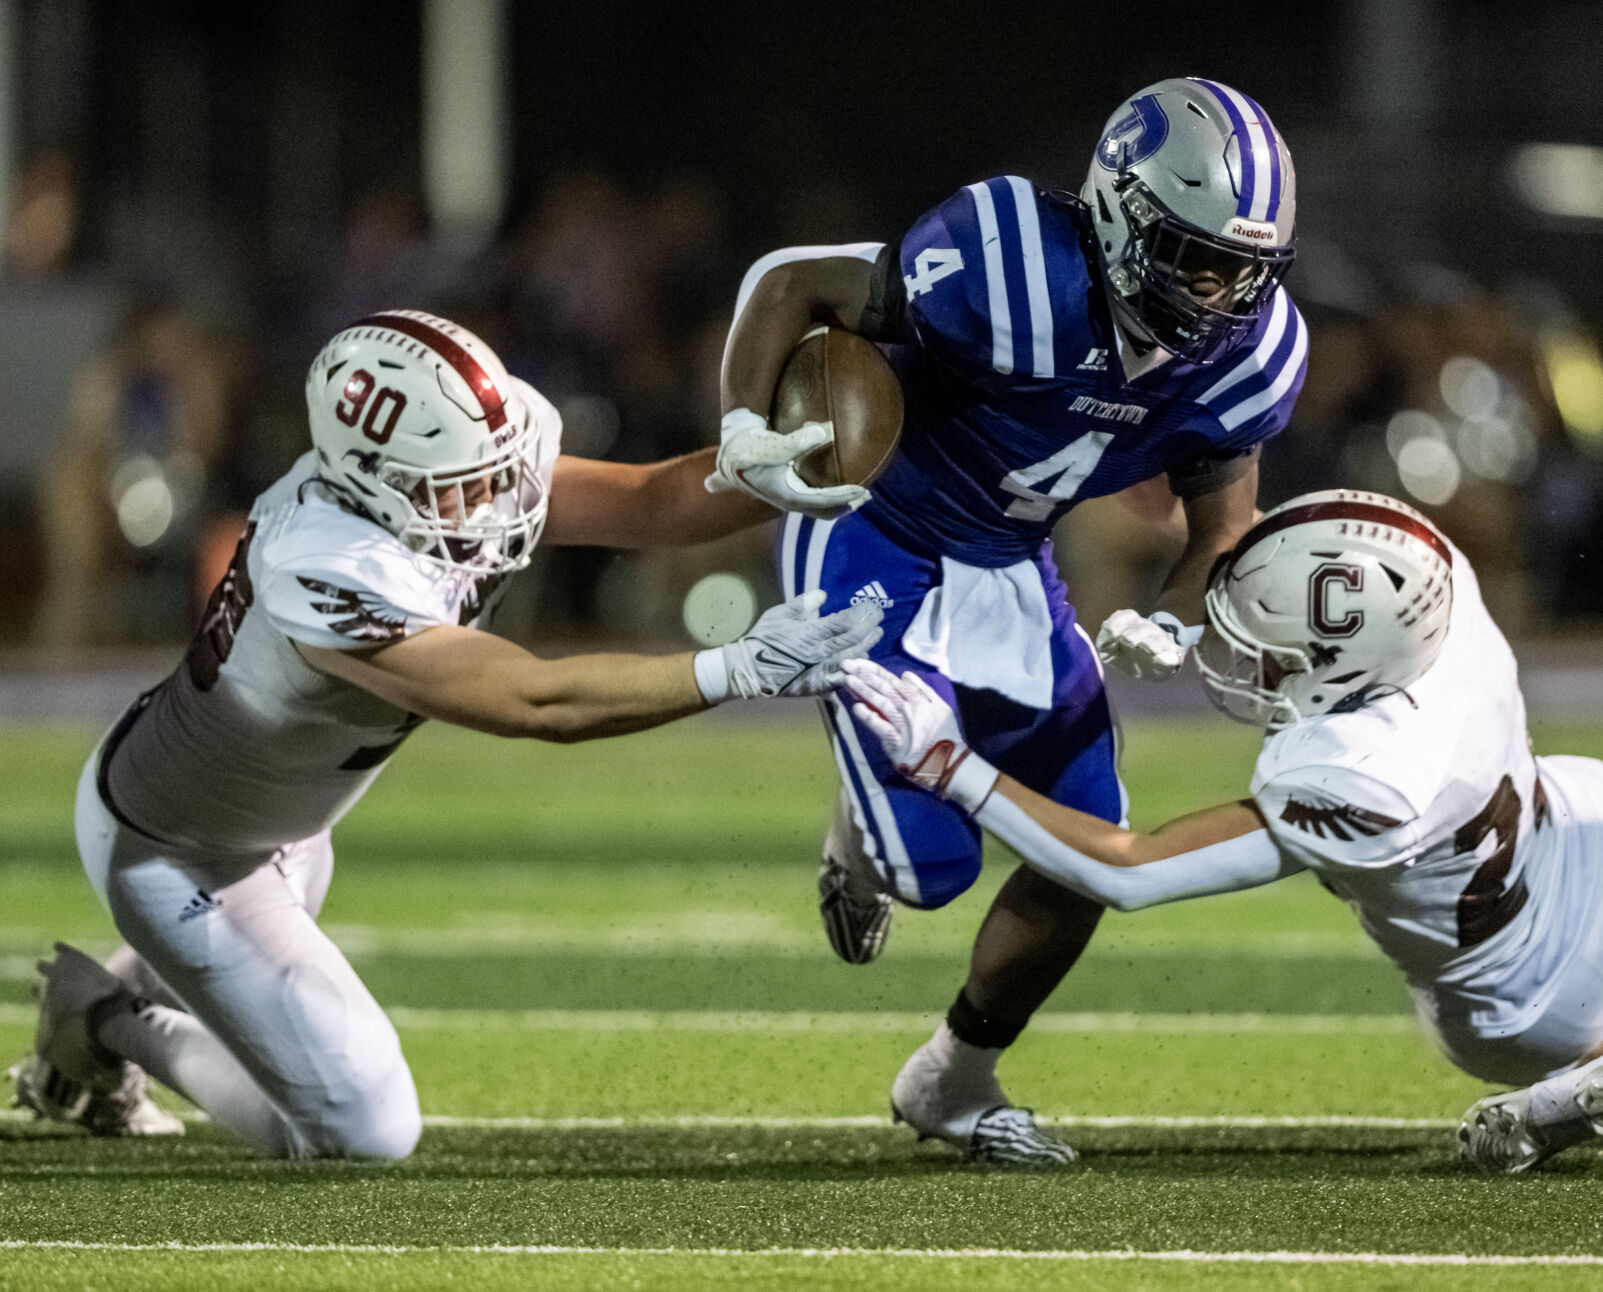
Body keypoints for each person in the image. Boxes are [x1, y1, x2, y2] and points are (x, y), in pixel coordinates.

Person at [9, 309, 881, 1158]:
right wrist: (732, 669)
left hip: (282, 824)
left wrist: (759, 476)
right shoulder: (324, 564)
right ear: (368, 483)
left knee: (282, 1025)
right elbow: (533, 702)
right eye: (461, 484)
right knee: (361, 1128)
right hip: (178, 852)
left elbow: (651, 504)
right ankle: (104, 1024)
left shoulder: (457, 464)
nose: (496, 499)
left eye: (497, 469)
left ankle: (122, 994)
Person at [706, 78, 1306, 1162]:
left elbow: (1221, 527)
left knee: (1088, 858)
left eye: (1246, 270)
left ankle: (953, 1078)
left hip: (1011, 559)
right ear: (1121, 215)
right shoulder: (1010, 260)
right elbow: (794, 283)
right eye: (1199, 259)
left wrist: (1175, 619)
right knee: (926, 871)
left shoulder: (1246, 354)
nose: (1222, 298)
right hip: (872, 531)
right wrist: (745, 423)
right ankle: (857, 832)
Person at [845, 489, 1603, 1174]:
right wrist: (1177, 604)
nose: (1245, 662)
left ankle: (1555, 1106)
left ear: (1340, 673)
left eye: (1272, 655)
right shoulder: (1427, 581)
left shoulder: (1370, 776)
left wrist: (950, 766)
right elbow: (1299, 549)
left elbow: (1128, 871)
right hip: (1565, 834)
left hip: (1530, 998)